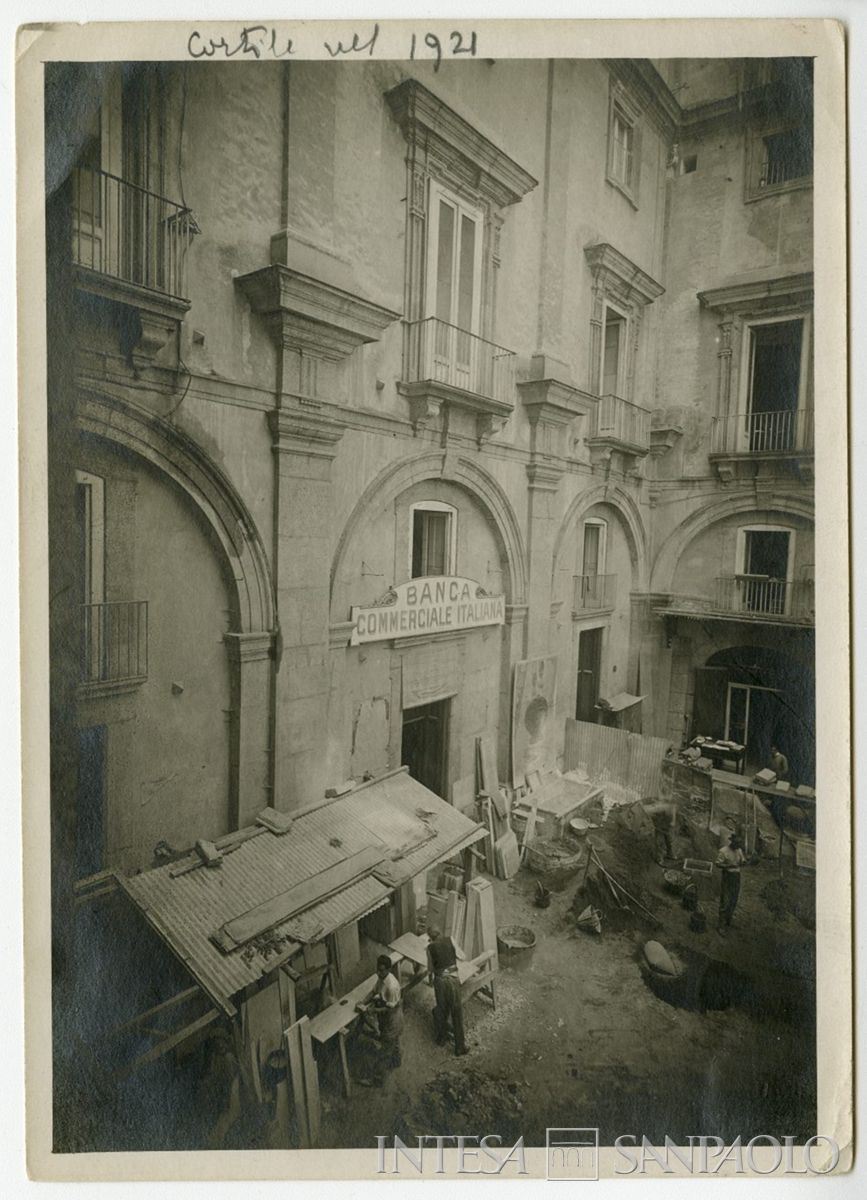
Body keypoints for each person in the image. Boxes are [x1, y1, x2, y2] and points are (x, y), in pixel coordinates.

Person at [357, 954, 403, 1085]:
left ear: (388, 969)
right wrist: (363, 1002)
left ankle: (377, 1080)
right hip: (386, 1018)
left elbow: (391, 1009)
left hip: (393, 1019)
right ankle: (397, 1061)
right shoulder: (382, 978)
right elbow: (373, 992)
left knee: (384, 1051)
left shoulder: (392, 986)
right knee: (393, 1042)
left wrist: (372, 1010)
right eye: (377, 969)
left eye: (382, 970)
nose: (378, 972)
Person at [426, 926, 468, 1057]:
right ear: (440, 934)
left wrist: (431, 978)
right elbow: (463, 956)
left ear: (430, 938)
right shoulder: (450, 940)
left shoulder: (429, 948)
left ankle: (442, 1038)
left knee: (441, 1009)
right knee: (456, 1012)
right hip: (452, 980)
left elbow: (430, 968)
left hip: (440, 981)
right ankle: (459, 1047)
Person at [715, 832, 746, 934]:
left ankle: (728, 920)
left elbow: (742, 861)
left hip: (736, 877)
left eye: (739, 844)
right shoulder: (724, 851)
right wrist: (728, 866)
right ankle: (721, 925)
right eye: (737, 843)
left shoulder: (739, 851)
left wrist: (746, 862)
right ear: (732, 842)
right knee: (725, 900)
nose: (738, 846)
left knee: (734, 899)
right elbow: (717, 864)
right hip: (727, 876)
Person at [643, 799, 678, 864]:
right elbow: (650, 813)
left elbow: (673, 809)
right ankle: (659, 858)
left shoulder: (671, 802)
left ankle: (670, 854)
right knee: (658, 842)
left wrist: (673, 820)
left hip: (667, 824)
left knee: (669, 841)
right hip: (659, 825)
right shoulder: (655, 804)